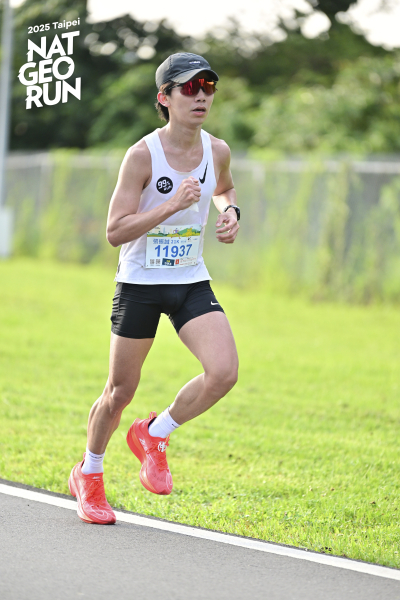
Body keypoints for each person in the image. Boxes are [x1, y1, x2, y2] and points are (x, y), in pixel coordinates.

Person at [68, 52, 241, 524]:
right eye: (190, 87)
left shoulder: (217, 150)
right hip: (140, 284)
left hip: (189, 279)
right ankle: (89, 472)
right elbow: (115, 231)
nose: (201, 95)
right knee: (119, 391)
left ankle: (155, 432)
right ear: (164, 98)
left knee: (223, 372)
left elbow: (224, 188)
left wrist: (230, 212)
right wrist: (170, 205)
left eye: (208, 86)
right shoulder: (143, 155)